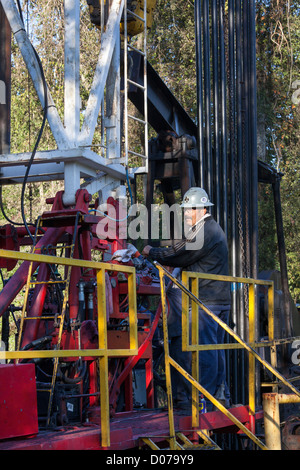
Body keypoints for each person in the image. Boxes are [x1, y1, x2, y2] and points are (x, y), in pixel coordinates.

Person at [142, 187, 231, 411]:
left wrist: (150, 252)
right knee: (215, 349)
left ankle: (203, 401)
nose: (185, 215)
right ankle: (217, 394)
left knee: (205, 352)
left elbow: (178, 253)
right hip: (216, 299)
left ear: (200, 209)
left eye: (187, 210)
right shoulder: (209, 229)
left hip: (205, 301)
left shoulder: (204, 231)